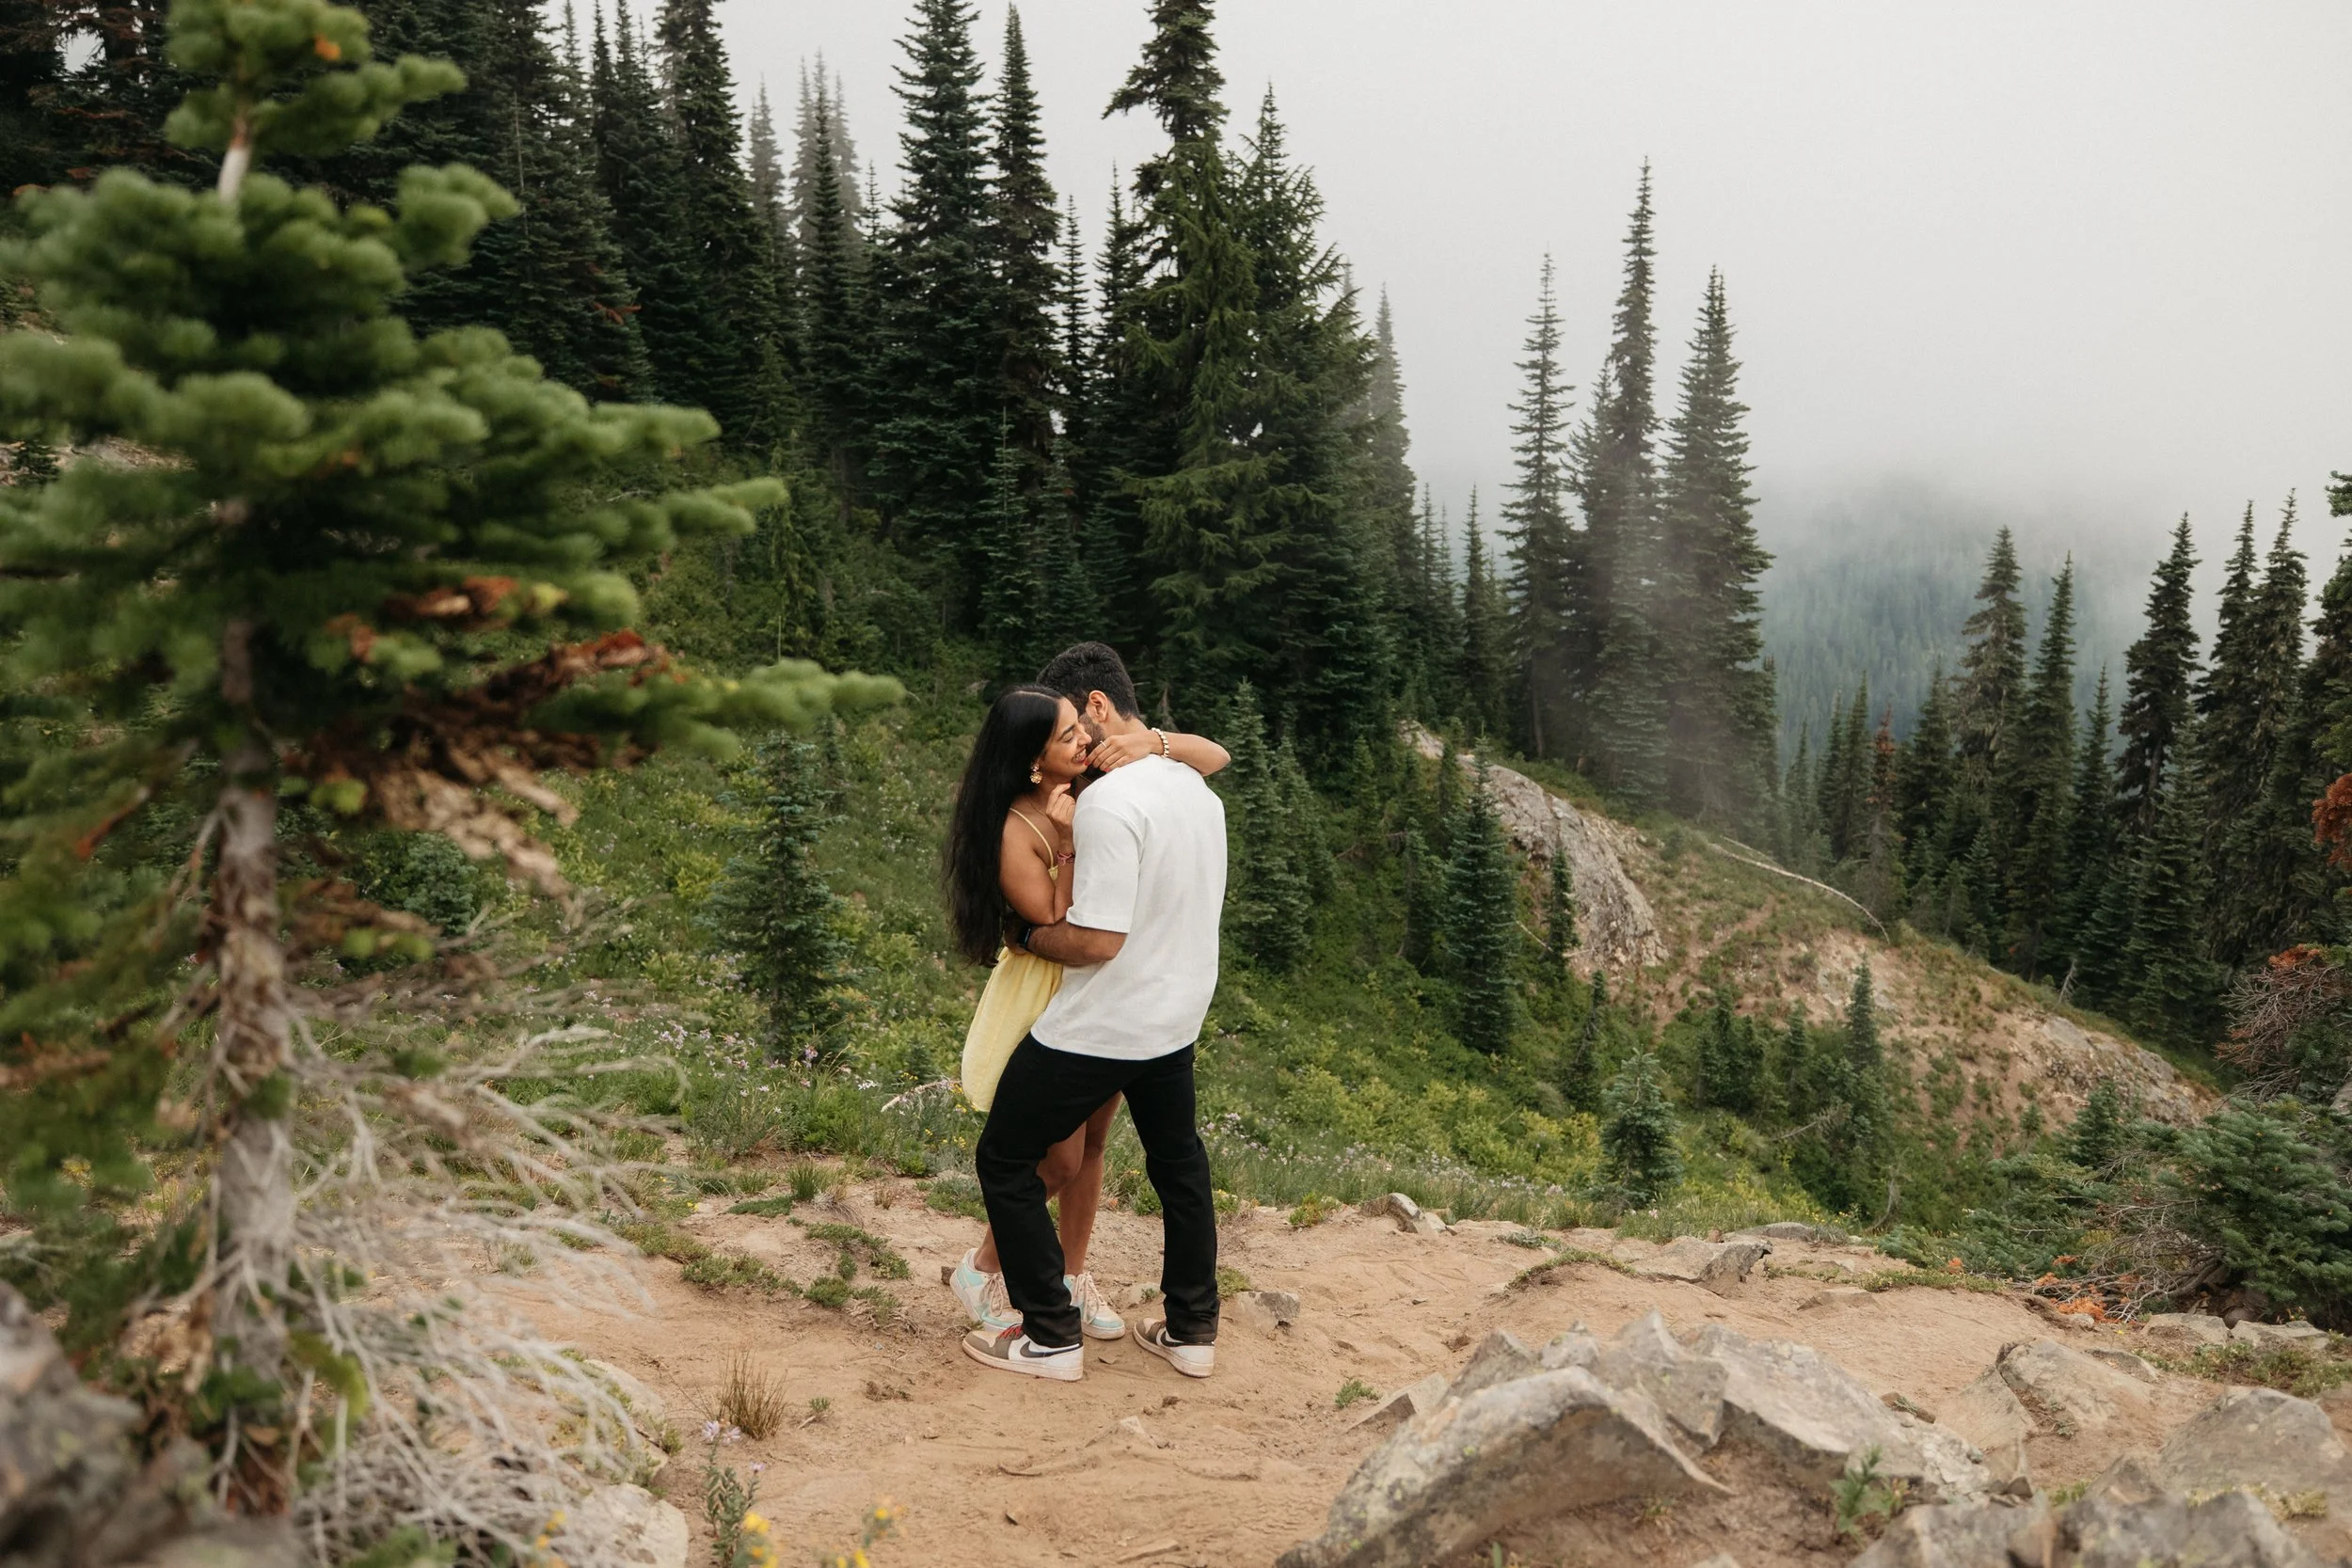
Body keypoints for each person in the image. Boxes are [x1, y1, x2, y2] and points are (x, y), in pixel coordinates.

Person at [961, 642, 1230, 1384]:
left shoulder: (1106, 803)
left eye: (1080, 723)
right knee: (1180, 1164)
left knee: (1005, 1158)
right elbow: (1218, 755)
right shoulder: (1192, 786)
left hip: (1104, 1024)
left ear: (1100, 709)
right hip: (1178, 1015)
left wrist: (1026, 935)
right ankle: (1191, 1330)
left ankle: (1050, 1334)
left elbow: (1098, 940)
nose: (1080, 739)